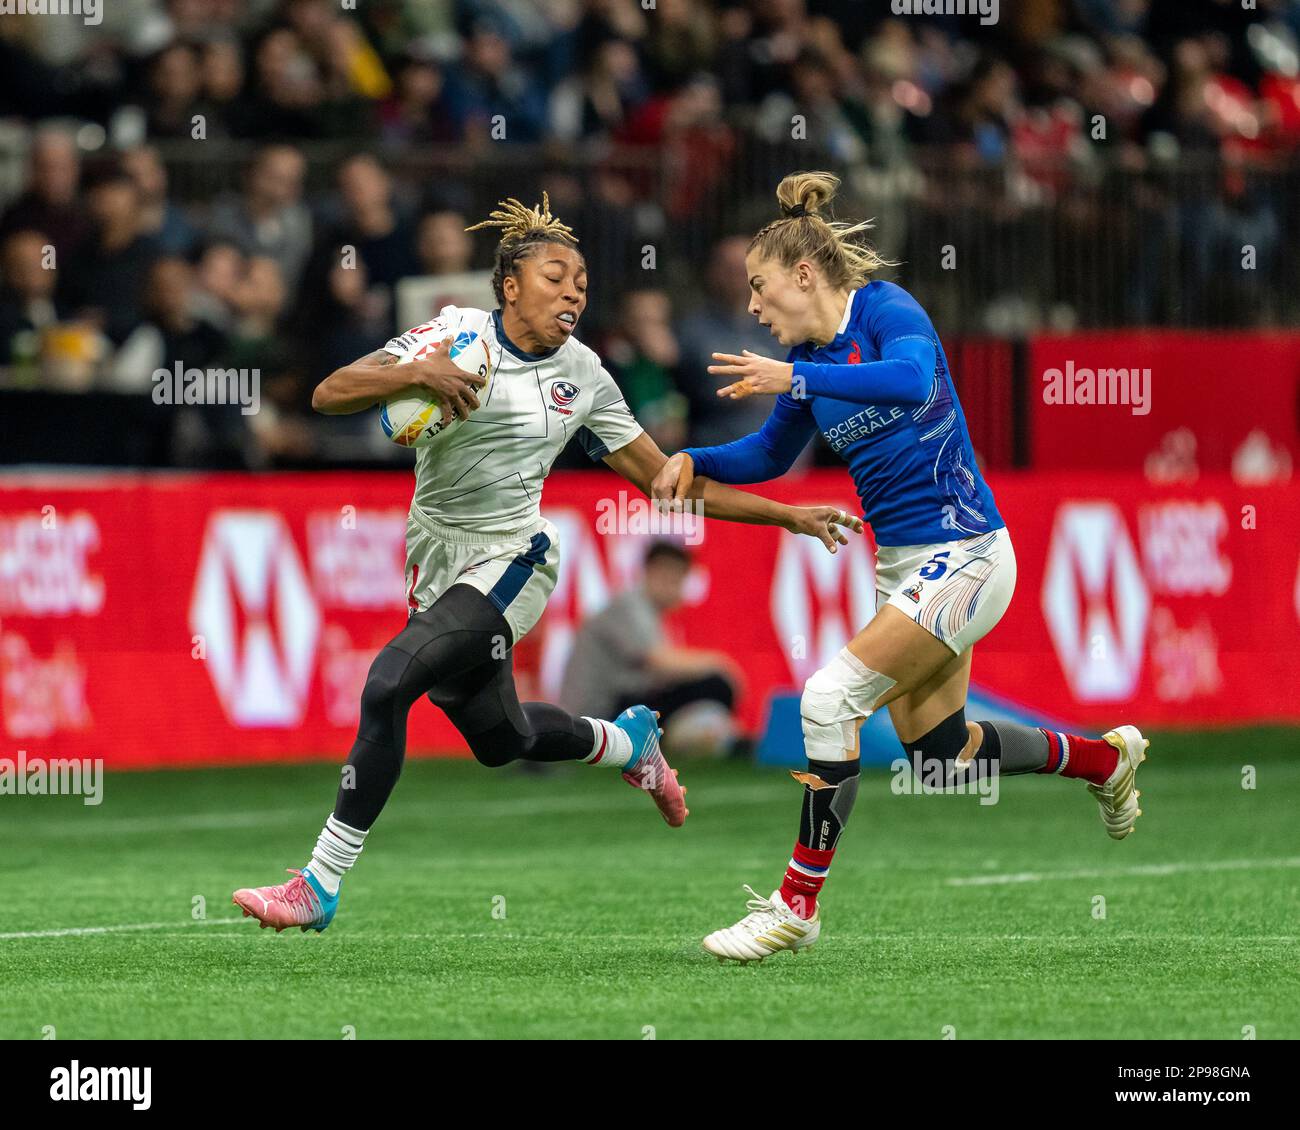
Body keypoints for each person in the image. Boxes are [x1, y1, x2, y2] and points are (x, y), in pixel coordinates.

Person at [232, 193, 860, 934]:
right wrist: (415, 375)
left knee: (388, 682)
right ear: (508, 287)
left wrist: (788, 514)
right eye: (557, 278)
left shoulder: (585, 376)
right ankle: (630, 742)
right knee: (504, 740)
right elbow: (329, 393)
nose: (573, 294)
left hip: (514, 560)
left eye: (582, 286)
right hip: (437, 557)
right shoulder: (451, 335)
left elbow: (666, 478)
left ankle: (319, 884)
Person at [652, 171, 1148, 963]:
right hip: (906, 565)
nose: (751, 307)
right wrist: (692, 456)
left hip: (970, 552)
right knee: (942, 756)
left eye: (759, 287)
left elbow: (913, 380)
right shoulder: (809, 362)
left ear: (804, 276)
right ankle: (1104, 758)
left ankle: (795, 906)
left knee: (829, 697)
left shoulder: (883, 311)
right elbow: (767, 456)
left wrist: (798, 378)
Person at [561, 542, 740, 757]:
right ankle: (695, 739)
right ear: (651, 572)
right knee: (713, 683)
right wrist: (719, 663)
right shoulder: (630, 605)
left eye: (678, 581)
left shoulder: (649, 612)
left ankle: (706, 737)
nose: (675, 588)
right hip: (600, 717)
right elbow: (658, 661)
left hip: (615, 709)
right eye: (670, 579)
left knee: (708, 685)